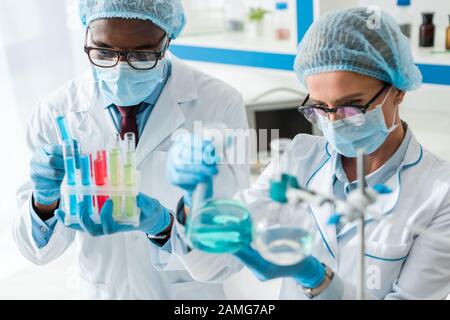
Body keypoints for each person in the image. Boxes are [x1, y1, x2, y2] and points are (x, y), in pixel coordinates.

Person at [167, 8, 450, 299]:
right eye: (320, 107)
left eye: (351, 106)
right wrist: (194, 207)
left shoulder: (440, 194)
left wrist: (317, 279)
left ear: (398, 90)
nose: (334, 123)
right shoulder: (298, 158)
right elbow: (212, 266)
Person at [13, 0, 248, 299]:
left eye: (142, 54)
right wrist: (44, 203)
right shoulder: (56, 111)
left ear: (167, 42)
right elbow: (36, 253)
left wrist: (166, 228)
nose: (120, 68)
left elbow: (229, 252)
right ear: (86, 36)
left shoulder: (219, 104)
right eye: (104, 52)